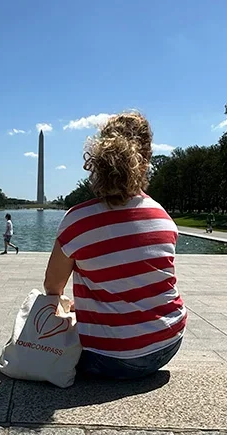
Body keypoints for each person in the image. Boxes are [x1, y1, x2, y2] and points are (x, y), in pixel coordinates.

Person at [43, 112, 185, 380]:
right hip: (168, 342)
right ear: (146, 160)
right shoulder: (163, 218)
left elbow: (52, 286)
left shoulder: (78, 220)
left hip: (106, 357)